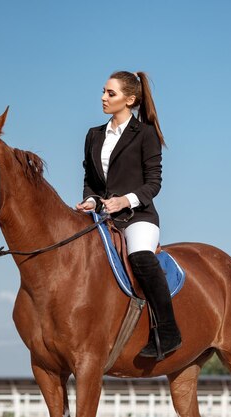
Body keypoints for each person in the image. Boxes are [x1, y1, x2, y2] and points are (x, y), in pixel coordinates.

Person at [75, 71, 181, 360]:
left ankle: (168, 330)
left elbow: (153, 183)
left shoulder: (146, 134)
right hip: (103, 216)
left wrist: (124, 201)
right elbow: (91, 180)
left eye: (111, 93)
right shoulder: (93, 134)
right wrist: (90, 201)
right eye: (103, 91)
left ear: (130, 99)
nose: (103, 97)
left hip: (138, 216)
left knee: (140, 257)